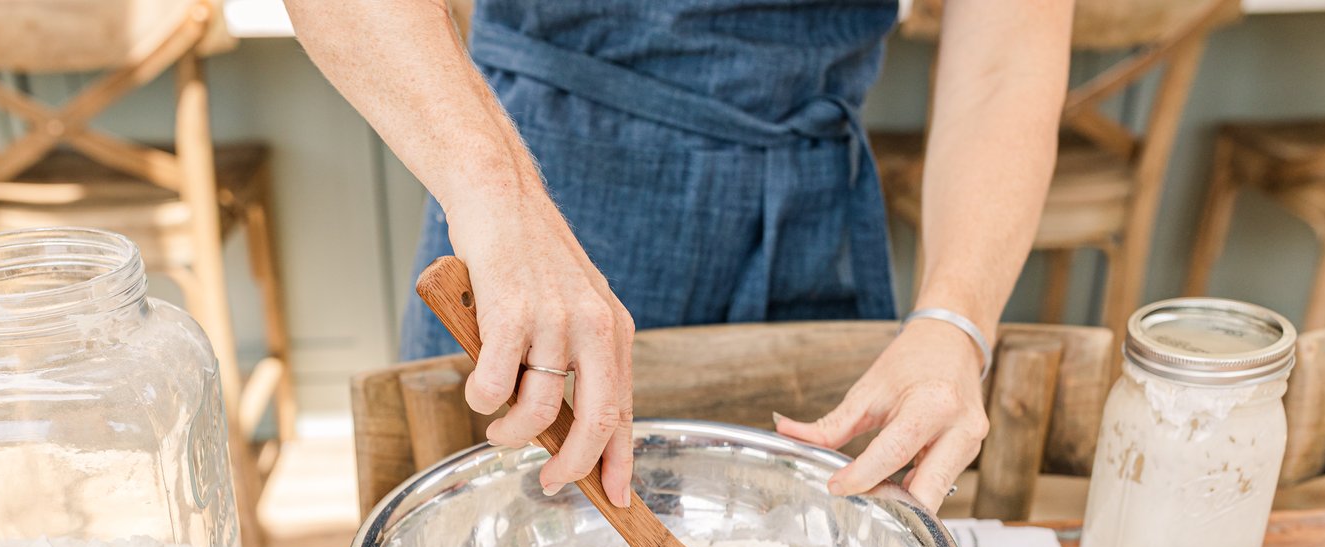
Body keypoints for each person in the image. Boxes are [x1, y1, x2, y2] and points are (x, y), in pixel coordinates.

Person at [288, 0, 1073, 511]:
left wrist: (955, 319)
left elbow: (1008, 48)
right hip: (535, 190)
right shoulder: (514, 198)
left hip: (808, 211)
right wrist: (500, 193)